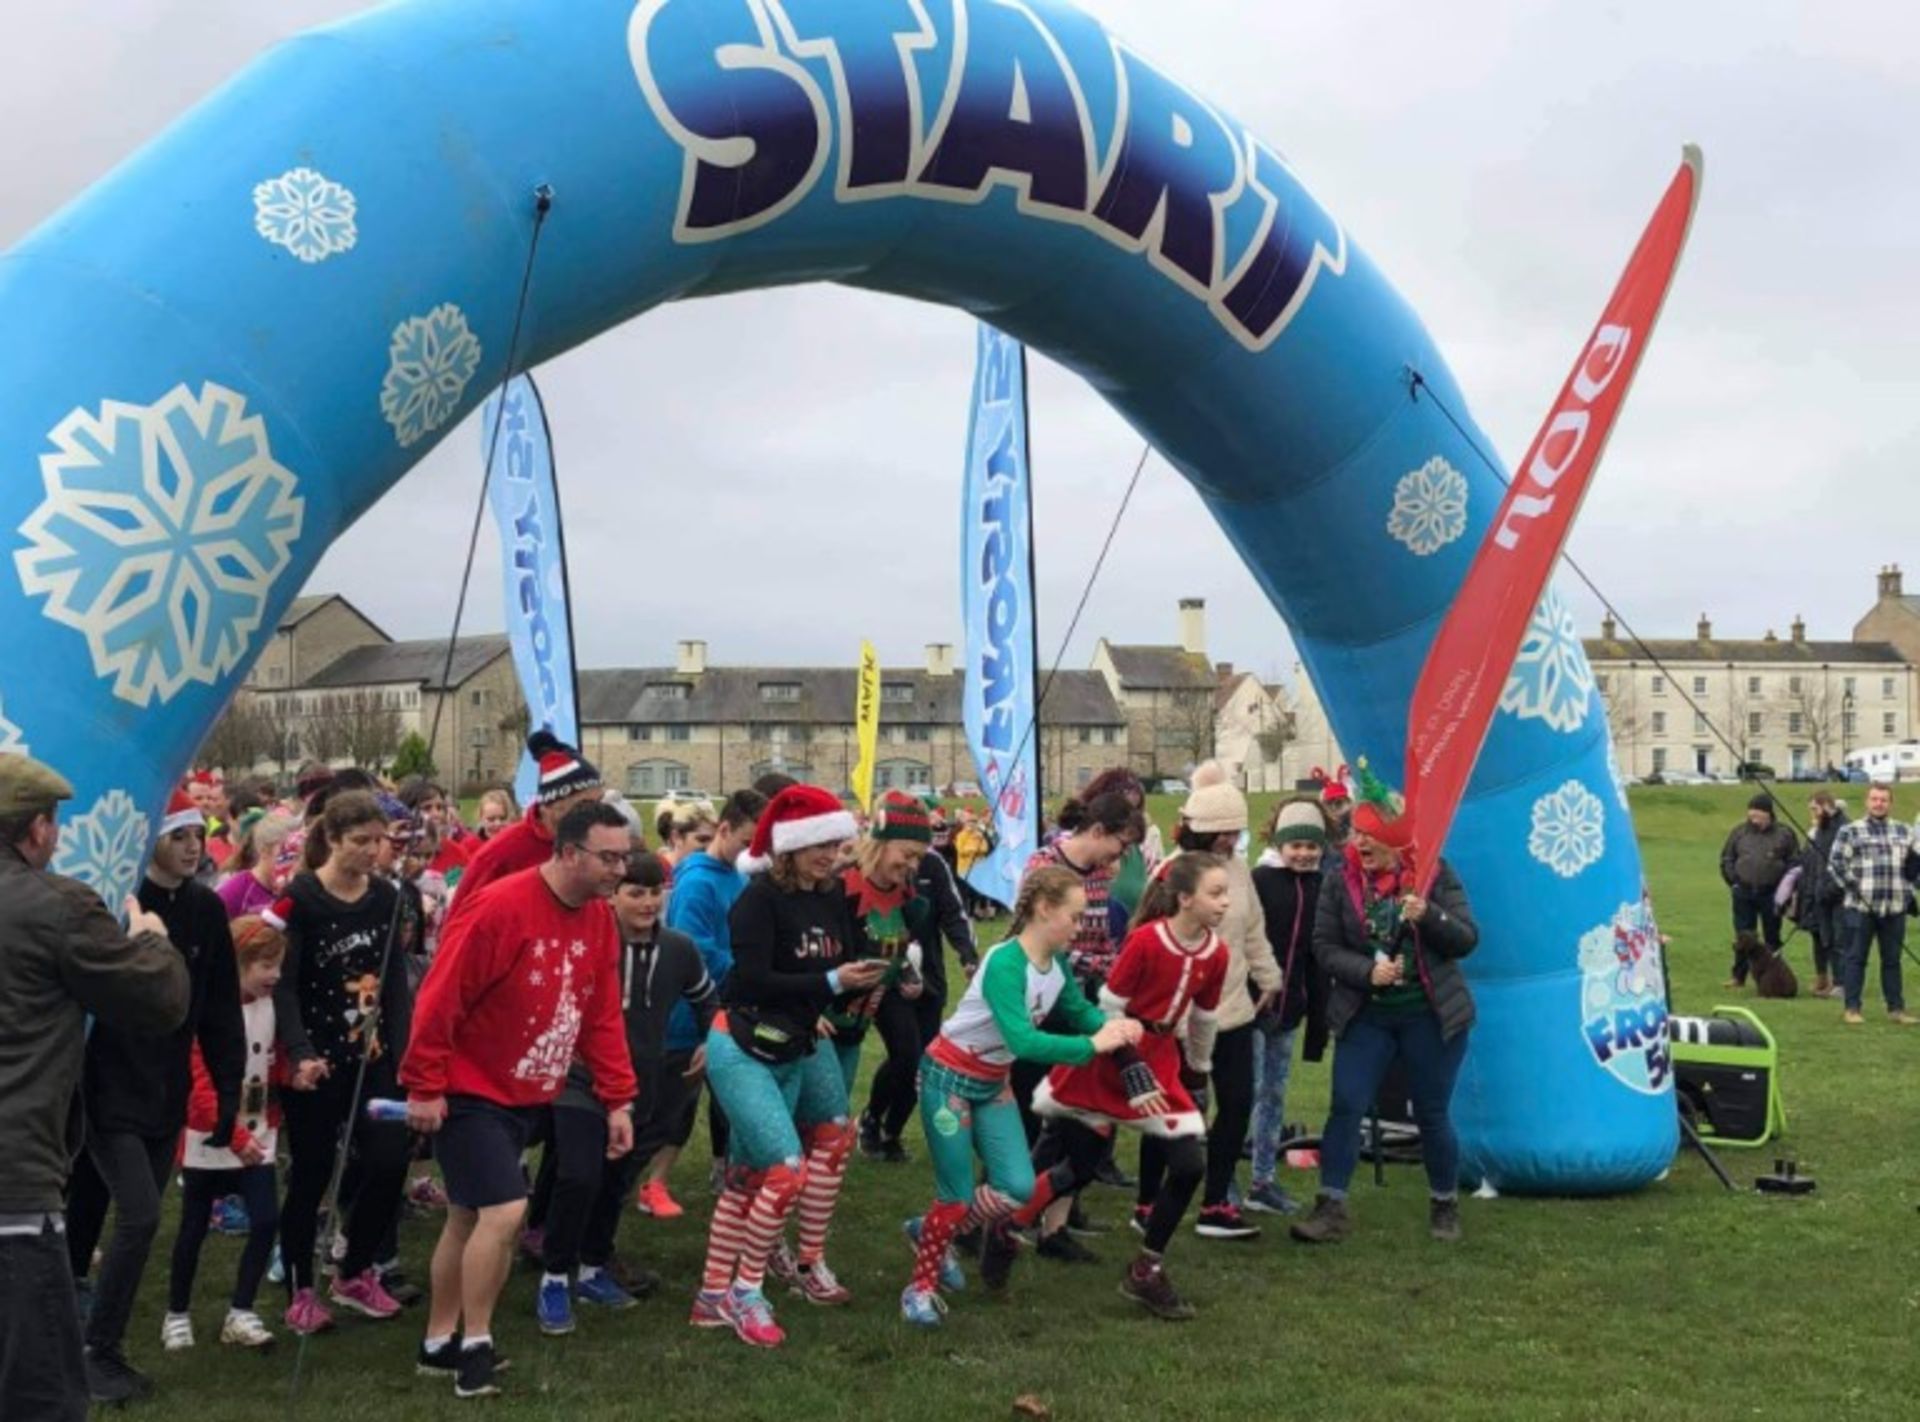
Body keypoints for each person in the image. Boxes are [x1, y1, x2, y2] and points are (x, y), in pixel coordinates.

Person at [402, 802, 638, 1397]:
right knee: (506, 1211)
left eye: (625, 856)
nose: (619, 869)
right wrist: (425, 1083)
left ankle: (437, 1341)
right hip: (470, 1085)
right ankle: (475, 1345)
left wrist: (618, 1099)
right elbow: (441, 996)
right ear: (567, 853)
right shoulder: (501, 907)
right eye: (608, 857)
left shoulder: (599, 921)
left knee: (466, 1215)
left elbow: (601, 1014)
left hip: (528, 1089)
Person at [0, 754, 188, 1422]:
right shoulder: (57, 905)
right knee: (40, 1392)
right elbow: (158, 1000)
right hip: (15, 1187)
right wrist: (152, 939)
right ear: (38, 831)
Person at [899, 866, 1142, 1327]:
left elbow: (1076, 1009)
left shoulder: (1056, 963)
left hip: (992, 1084)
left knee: (1017, 1187)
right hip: (947, 1079)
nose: (1081, 926)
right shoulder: (1005, 963)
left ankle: (929, 1229)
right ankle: (921, 1286)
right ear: (1045, 909)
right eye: (1074, 916)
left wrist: (1112, 1026)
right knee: (953, 1197)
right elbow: (1024, 1040)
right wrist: (1094, 1045)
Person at [65, 789, 246, 1401]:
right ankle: (98, 1349)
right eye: (179, 836)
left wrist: (226, 1089)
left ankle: (67, 1326)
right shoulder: (114, 906)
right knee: (139, 1214)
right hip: (105, 1084)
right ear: (151, 841)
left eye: (199, 835)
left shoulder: (205, 909)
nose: (194, 846)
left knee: (97, 1205)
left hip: (165, 1087)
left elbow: (220, 1006)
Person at [691, 786, 887, 1348]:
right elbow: (748, 981)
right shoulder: (757, 899)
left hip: (798, 1039)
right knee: (782, 1172)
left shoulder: (830, 896)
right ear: (788, 847)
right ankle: (744, 1291)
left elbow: (843, 960)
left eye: (835, 843)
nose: (830, 854)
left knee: (803, 1151)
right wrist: (829, 984)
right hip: (745, 1043)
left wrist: (871, 983)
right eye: (818, 844)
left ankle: (725, 1290)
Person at [1014, 853, 1233, 1320]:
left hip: (1160, 1065)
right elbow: (1110, 1006)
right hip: (1110, 1059)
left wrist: (1197, 1072)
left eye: (1226, 893)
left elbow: (1204, 1018)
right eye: (1215, 893)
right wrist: (1129, 1061)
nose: (1224, 903)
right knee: (1080, 1167)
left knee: (1190, 1163)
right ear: (1185, 898)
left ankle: (1146, 1269)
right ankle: (1005, 1225)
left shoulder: (1217, 952)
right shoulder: (1145, 942)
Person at [1291, 763, 1479, 1246]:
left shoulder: (1434, 874)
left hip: (1430, 1017)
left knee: (1433, 1112)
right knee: (1346, 1105)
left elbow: (1465, 940)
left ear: (1398, 840)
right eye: (1356, 834)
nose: (1361, 845)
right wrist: (1365, 972)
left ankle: (1443, 1205)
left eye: (1371, 836)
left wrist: (1429, 915)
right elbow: (1324, 945)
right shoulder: (1340, 880)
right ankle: (1330, 1206)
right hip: (1366, 1015)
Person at [539, 850, 718, 1329]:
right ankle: (554, 1277)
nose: (645, 902)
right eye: (634, 892)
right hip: (578, 1079)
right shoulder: (587, 940)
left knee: (615, 1182)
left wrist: (708, 1038)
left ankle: (594, 1267)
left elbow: (707, 1001)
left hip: (643, 1081)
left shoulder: (679, 949)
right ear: (612, 896)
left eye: (654, 892)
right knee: (578, 1175)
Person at [270, 790, 417, 1334]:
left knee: (388, 1161)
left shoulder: (385, 897)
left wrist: (404, 1053)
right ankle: (298, 1290)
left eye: (379, 841)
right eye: (360, 841)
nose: (373, 852)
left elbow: (396, 980)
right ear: (331, 839)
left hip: (373, 1058)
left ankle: (354, 1271)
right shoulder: (301, 897)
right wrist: (300, 1052)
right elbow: (283, 983)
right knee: (310, 1175)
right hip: (316, 1063)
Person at [1134, 763, 1280, 1243]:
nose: (1230, 840)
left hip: (1232, 1011)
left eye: (1234, 832)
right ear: (1199, 831)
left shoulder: (1240, 873)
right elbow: (1144, 942)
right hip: (1176, 1021)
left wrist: (1269, 978)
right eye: (1222, 832)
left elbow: (1253, 929)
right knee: (1170, 1109)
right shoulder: (1169, 875)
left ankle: (1216, 1202)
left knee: (1237, 1103)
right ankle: (1148, 1200)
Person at [1015, 789, 1146, 1248]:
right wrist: (1099, 970)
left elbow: (1100, 942)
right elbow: (1043, 940)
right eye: (1120, 844)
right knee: (1033, 1112)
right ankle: (1010, 1212)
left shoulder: (1098, 875)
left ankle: (1057, 1222)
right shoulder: (1045, 866)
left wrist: (1116, 977)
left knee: (1077, 1113)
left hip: (1082, 1003)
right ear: (1096, 831)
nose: (1121, 857)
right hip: (1041, 1005)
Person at [163, 915, 287, 1351]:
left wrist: (297, 1074)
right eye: (264, 965)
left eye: (277, 965)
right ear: (238, 964)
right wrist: (234, 1137)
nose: (274, 975)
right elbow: (199, 1086)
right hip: (211, 1138)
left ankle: (242, 1310)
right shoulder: (207, 1010)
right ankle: (176, 1312)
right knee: (193, 1227)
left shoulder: (273, 1004)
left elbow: (276, 1059)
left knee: (267, 1218)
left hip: (258, 1131)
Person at [652, 787, 765, 1214]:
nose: (752, 851)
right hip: (687, 1015)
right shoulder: (698, 882)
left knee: (726, 1098)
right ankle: (647, 1183)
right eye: (747, 841)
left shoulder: (735, 876)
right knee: (670, 1108)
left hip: (726, 1007)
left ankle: (729, 1174)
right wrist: (749, 966)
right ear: (724, 828)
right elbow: (691, 948)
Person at [1247, 797, 1332, 1214]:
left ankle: (1263, 1180)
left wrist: (1317, 1020)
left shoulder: (1323, 887)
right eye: (1295, 844)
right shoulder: (1258, 881)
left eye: (1312, 846)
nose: (1303, 853)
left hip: (1290, 1010)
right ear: (1279, 844)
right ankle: (1223, 1181)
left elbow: (1318, 957)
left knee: (1274, 1096)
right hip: (1250, 1008)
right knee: (1243, 1095)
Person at [447, 732, 605, 917]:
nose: (598, 814)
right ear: (551, 806)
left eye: (600, 802)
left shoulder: (600, 845)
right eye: (586, 805)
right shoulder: (500, 854)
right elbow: (460, 921)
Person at [1827, 781, 1919, 1027]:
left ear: (1890, 803)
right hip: (1860, 908)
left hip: (1894, 908)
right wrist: (1851, 886)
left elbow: (1915, 868)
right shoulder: (1851, 831)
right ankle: (1852, 1008)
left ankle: (1896, 1009)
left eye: (1884, 800)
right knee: (1855, 959)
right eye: (1875, 799)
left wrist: (1912, 884)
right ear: (1868, 802)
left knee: (1892, 961)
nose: (1879, 803)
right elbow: (1835, 864)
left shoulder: (1904, 831)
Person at [1719, 794, 1799, 987]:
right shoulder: (1739, 832)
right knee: (1743, 935)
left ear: (1768, 814)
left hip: (1772, 894)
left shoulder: (1784, 834)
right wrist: (1734, 882)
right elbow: (1727, 858)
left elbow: (1795, 861)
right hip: (1744, 892)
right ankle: (1738, 977)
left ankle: (1775, 978)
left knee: (1772, 936)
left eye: (1757, 816)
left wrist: (1785, 888)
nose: (1753, 820)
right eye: (1751, 815)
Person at [1792, 792, 1849, 999]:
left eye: (1815, 809)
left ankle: (1843, 984)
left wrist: (1831, 889)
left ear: (1826, 805)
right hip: (1819, 893)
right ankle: (1830, 981)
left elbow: (1843, 864)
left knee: (1839, 940)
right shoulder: (1820, 830)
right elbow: (1812, 863)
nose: (1813, 814)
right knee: (1826, 939)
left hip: (1838, 895)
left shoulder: (1842, 828)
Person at [216, 810, 299, 917]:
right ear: (264, 850)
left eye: (299, 854)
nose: (296, 863)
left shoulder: (298, 887)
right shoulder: (236, 890)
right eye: (288, 853)